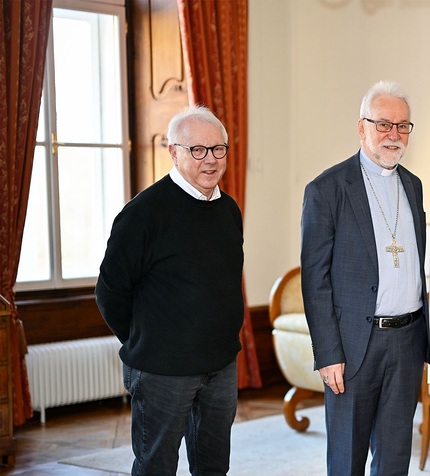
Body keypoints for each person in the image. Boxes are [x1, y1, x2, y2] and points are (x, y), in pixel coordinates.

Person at [95, 106, 244, 475]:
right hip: (162, 370)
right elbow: (110, 291)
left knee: (213, 468)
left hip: (220, 366)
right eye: (197, 150)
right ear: (173, 152)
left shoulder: (229, 210)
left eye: (218, 149)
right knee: (156, 467)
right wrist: (146, 339)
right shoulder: (143, 213)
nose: (209, 160)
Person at [300, 80, 428, 476]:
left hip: (406, 342)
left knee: (394, 459)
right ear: (362, 128)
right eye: (384, 124)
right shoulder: (327, 189)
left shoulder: (413, 185)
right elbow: (314, 278)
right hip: (354, 346)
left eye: (403, 126)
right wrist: (328, 353)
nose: (394, 134)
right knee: (347, 458)